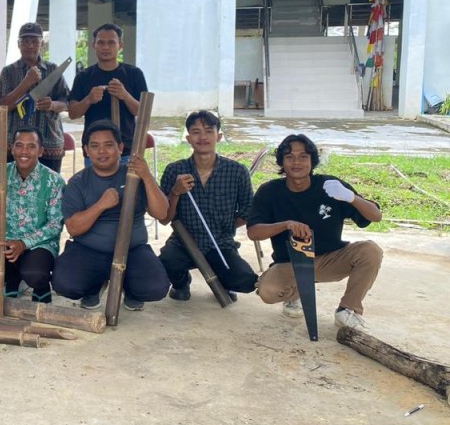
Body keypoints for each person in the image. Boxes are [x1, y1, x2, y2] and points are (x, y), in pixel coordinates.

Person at [247, 134, 383, 330]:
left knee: (370, 251)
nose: (297, 162)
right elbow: (253, 232)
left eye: (303, 156)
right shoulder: (270, 191)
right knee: (267, 291)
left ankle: (348, 310)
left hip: (331, 259)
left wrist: (350, 197)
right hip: (291, 263)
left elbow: (376, 216)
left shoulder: (330, 186)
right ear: (281, 162)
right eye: (289, 157)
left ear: (312, 161)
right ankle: (295, 294)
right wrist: (286, 224)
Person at [53, 120, 169, 310]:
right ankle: (94, 288)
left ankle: (131, 290)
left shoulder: (136, 175)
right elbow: (73, 228)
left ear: (120, 148)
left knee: (155, 288)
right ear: (86, 150)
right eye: (95, 146)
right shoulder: (78, 182)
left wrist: (147, 176)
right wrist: (100, 205)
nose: (102, 151)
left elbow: (162, 213)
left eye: (108, 145)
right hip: (88, 249)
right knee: (65, 284)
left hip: (133, 250)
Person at [158, 110, 258, 302]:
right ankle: (181, 283)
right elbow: (164, 218)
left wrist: (225, 226)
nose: (202, 137)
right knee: (164, 265)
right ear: (188, 138)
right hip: (183, 242)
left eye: (208, 131)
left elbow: (247, 211)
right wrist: (175, 192)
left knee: (245, 281)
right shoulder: (174, 170)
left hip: (220, 242)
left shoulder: (237, 171)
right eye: (196, 132)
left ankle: (223, 281)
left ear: (218, 136)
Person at [0, 127, 65, 303]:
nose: (24, 151)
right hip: (6, 239)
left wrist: (23, 243)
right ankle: (12, 278)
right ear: (12, 149)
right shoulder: (0, 173)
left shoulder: (54, 180)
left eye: (31, 146)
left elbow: (55, 225)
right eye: (19, 145)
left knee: (35, 274)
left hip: (40, 243)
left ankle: (41, 286)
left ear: (41, 151)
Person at [0, 22, 70, 172]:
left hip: (49, 144)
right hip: (16, 146)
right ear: (18, 44)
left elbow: (67, 102)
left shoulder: (53, 69)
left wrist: (52, 105)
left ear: (42, 44)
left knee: (49, 185)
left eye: (34, 41)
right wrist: (26, 83)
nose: (30, 46)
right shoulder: (8, 72)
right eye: (25, 41)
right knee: (14, 186)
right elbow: (3, 106)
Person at [68, 23, 148, 160]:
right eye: (101, 43)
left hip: (126, 149)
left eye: (111, 42)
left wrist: (125, 95)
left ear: (120, 46)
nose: (105, 47)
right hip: (94, 149)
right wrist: (88, 99)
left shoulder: (134, 74)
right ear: (94, 45)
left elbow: (143, 113)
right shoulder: (83, 77)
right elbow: (73, 114)